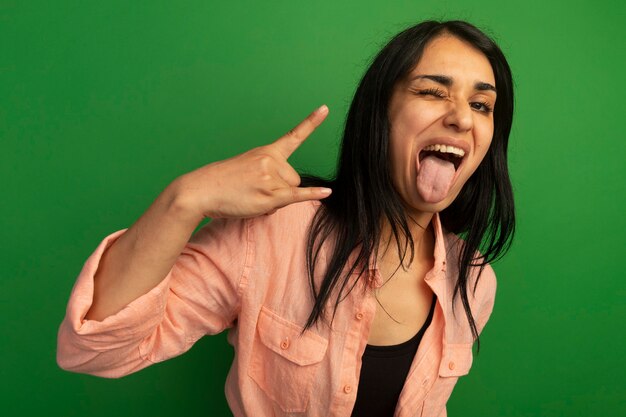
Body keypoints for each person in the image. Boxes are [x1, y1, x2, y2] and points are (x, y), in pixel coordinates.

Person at [57, 20, 515, 417]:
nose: (461, 118)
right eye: (433, 92)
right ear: (381, 113)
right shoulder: (272, 233)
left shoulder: (475, 282)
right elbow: (96, 350)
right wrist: (185, 198)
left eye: (481, 105)